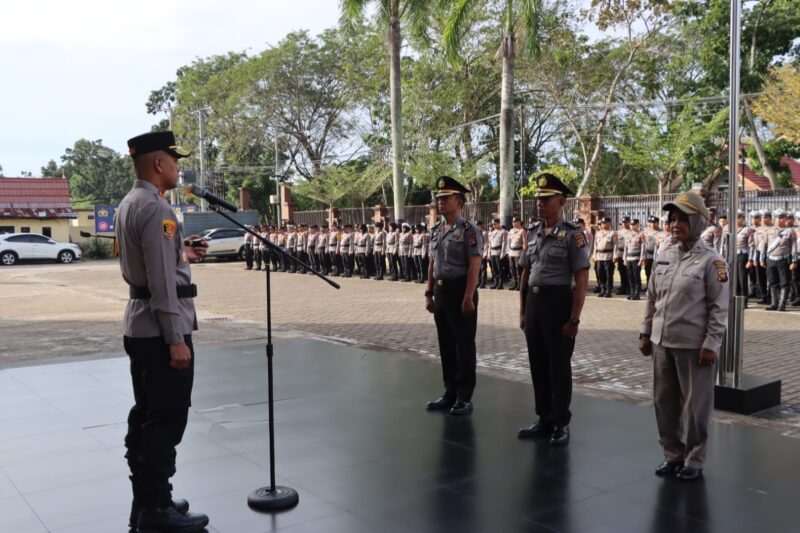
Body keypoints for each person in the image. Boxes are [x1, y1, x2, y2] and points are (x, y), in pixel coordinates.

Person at [115, 131, 210, 532]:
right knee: (167, 419)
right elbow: (161, 282)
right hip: (160, 330)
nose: (177, 167)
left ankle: (148, 501)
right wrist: (175, 338)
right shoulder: (157, 209)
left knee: (147, 415)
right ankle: (156, 511)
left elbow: (150, 261)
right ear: (158, 163)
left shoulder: (129, 203)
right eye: (174, 160)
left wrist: (180, 252)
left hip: (139, 326)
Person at [640, 191, 729, 482]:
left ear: (698, 222)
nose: (675, 224)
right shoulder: (664, 256)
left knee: (695, 407)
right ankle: (672, 454)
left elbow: (719, 308)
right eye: (672, 218)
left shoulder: (712, 262)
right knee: (664, 403)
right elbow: (652, 299)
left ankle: (694, 460)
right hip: (661, 343)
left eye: (683, 219)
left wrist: (711, 344)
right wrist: (645, 332)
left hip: (693, 347)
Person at [516, 173, 589, 446]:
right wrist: (522, 310)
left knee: (559, 365)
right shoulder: (532, 232)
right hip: (534, 303)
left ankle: (560, 421)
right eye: (538, 199)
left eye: (546, 199)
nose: (540, 203)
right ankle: (543, 417)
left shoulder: (573, 234)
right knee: (538, 363)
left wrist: (575, 317)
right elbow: (525, 272)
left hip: (558, 303)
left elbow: (581, 278)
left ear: (561, 201)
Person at [425, 176, 483, 416]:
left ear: (459, 201)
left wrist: (468, 296)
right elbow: (431, 262)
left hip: (461, 291)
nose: (440, 202)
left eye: (445, 198)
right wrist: (429, 293)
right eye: (439, 198)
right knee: (446, 345)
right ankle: (449, 392)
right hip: (441, 291)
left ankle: (464, 396)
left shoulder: (470, 231)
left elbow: (474, 265)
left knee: (464, 346)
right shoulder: (436, 230)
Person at [765, 210, 797, 311]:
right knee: (772, 282)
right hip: (771, 259)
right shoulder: (770, 230)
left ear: (785, 219)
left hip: (783, 260)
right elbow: (765, 244)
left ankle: (782, 304)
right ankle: (774, 303)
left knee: (784, 283)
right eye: (778, 217)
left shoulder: (789, 231)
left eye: (782, 218)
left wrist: (794, 261)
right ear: (775, 218)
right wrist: (763, 258)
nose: (780, 220)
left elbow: (794, 246)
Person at [594, 216, 617, 298]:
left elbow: (615, 245)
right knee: (600, 273)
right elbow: (595, 245)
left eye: (605, 223)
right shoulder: (598, 233)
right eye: (602, 223)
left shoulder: (613, 233)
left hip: (608, 256)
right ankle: (602, 289)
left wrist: (615, 256)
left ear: (609, 223)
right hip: (599, 256)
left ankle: (608, 290)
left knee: (608, 274)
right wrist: (594, 255)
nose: (603, 224)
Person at [624, 219, 645, 300]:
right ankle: (632, 292)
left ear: (637, 225)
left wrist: (641, 259)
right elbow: (625, 247)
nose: (632, 226)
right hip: (629, 258)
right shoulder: (628, 234)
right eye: (631, 225)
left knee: (636, 276)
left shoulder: (641, 234)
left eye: (634, 224)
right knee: (630, 276)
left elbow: (643, 247)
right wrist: (624, 259)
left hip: (636, 258)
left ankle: (637, 294)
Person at [507, 217, 526, 291]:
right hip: (511, 252)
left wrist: (524, 252)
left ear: (519, 222)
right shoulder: (511, 231)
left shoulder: (522, 231)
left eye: (515, 222)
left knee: (518, 269)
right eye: (513, 222)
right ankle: (514, 283)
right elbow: (509, 241)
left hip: (518, 252)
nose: (514, 223)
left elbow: (524, 242)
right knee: (512, 269)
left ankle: (519, 285)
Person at [488, 218, 507, 289]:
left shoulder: (503, 231)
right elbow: (490, 244)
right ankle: (495, 283)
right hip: (493, 252)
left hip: (499, 252)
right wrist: (489, 253)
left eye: (495, 224)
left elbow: (504, 243)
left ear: (499, 223)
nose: (493, 225)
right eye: (493, 224)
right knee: (494, 269)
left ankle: (500, 284)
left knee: (499, 269)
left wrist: (503, 253)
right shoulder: (492, 232)